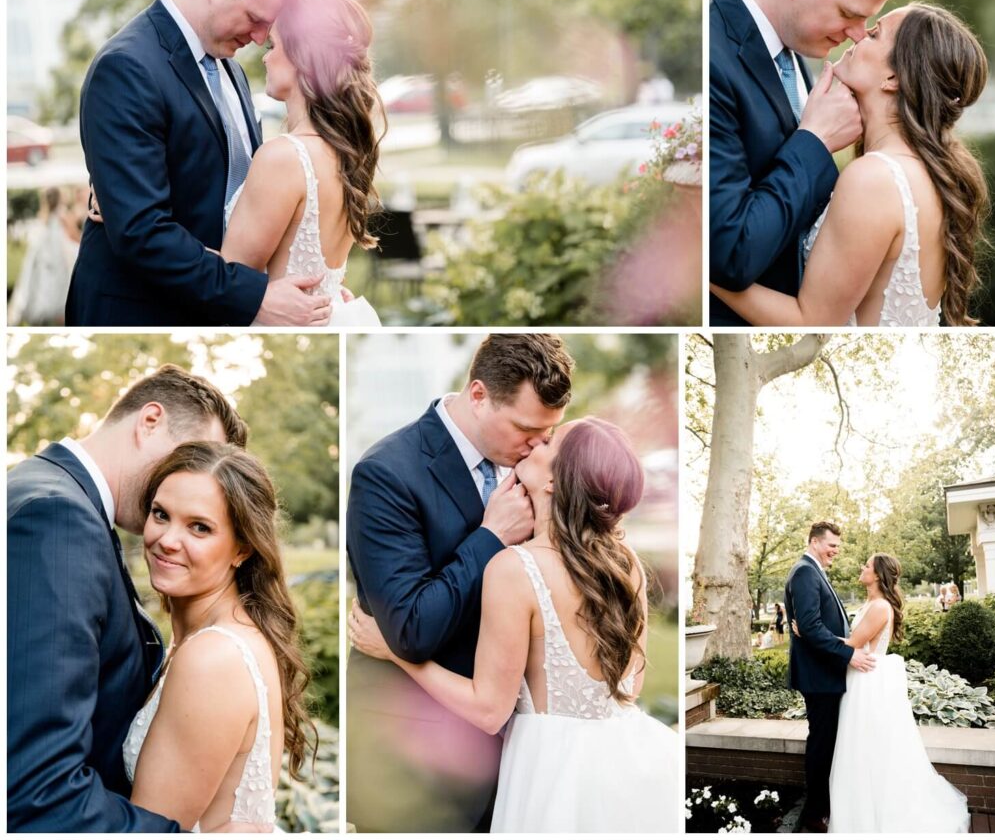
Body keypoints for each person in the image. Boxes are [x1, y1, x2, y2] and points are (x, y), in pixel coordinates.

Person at [349, 417, 678, 832]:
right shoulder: (626, 564)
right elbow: (632, 684)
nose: (537, 443)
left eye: (550, 443)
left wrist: (397, 653)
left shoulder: (515, 569)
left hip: (550, 770)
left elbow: (489, 710)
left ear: (556, 482)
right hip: (624, 763)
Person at [6, 365, 260, 831]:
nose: (189, 479)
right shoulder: (58, 517)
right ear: (149, 421)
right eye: (190, 457)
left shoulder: (58, 498)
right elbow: (35, 790)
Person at [345, 334, 574, 832]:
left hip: (522, 749)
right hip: (414, 756)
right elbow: (411, 629)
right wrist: (491, 536)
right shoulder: (386, 474)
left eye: (548, 434)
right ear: (478, 395)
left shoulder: (534, 473)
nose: (538, 446)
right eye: (526, 429)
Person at [66, 0, 333, 326]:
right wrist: (253, 295)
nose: (262, 38)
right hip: (141, 313)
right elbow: (141, 232)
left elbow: (239, 195)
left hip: (209, 308)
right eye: (256, 17)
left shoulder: (231, 70)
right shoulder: (127, 67)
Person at [711, 4, 989, 326]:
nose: (857, 34)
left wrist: (709, 262)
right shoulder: (922, 173)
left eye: (874, 34)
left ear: (893, 77)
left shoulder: (874, 180)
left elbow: (812, 322)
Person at [709, 0, 910, 325]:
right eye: (848, 13)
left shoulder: (799, 50)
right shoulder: (708, 55)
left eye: (868, 22)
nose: (858, 35)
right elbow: (730, 252)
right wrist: (814, 141)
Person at [124, 442, 315, 831]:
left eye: (200, 527)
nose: (168, 540)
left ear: (242, 548)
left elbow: (146, 832)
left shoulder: (213, 659)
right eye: (161, 514)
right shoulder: (218, 636)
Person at [219, 0, 383, 325]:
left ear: (303, 58)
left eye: (273, 47)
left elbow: (227, 280)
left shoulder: (284, 157)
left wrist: (139, 212)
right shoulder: (345, 154)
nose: (265, 59)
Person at [821, 554, 969, 832]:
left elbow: (853, 643)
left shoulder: (880, 607)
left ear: (877, 575)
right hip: (859, 680)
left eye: (866, 565)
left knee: (867, 751)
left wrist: (810, 634)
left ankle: (875, 819)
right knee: (861, 750)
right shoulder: (870, 603)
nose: (862, 568)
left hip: (867, 685)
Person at [783, 521, 876, 833]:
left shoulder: (813, 571)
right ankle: (815, 813)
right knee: (822, 744)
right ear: (814, 542)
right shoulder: (805, 572)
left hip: (824, 672)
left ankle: (823, 805)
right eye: (831, 545)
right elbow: (809, 626)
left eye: (837, 546)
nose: (835, 551)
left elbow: (811, 625)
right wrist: (848, 653)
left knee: (827, 742)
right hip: (818, 676)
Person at [8, 186, 77, 325]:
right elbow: (73, 235)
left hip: (46, 260)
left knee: (44, 288)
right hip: (59, 258)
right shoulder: (63, 214)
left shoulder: (43, 215)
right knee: (61, 288)